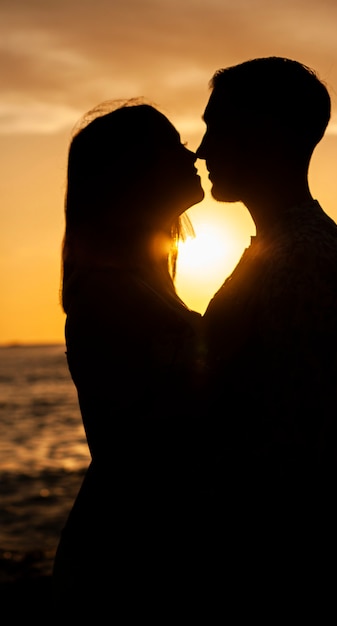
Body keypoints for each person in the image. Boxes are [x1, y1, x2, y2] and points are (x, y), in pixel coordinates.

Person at [196, 57, 337, 617]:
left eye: (217, 128)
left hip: (299, 565)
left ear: (266, 134)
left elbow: (291, 444)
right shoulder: (283, 246)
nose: (203, 149)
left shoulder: (303, 258)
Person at [52, 99, 206, 621]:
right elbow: (153, 433)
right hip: (131, 553)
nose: (193, 155)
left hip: (148, 537)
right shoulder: (108, 293)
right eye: (172, 145)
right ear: (134, 173)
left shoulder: (146, 283)